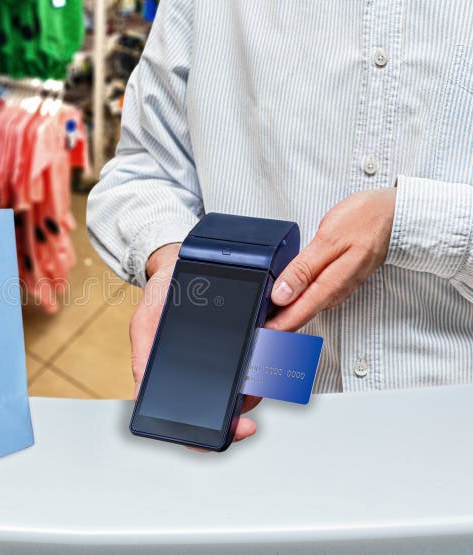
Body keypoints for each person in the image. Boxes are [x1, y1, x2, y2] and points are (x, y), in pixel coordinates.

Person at [87, 1, 473, 444]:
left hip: (452, 420)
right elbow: (144, 168)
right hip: (255, 411)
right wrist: (175, 262)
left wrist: (411, 222)